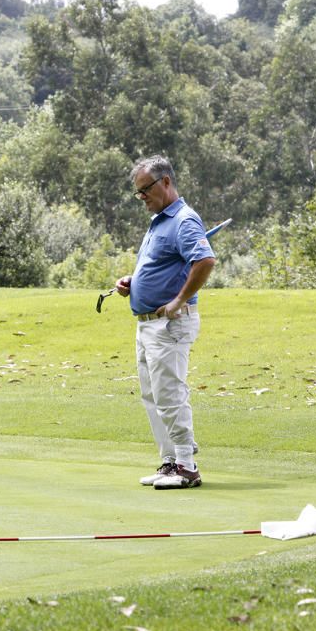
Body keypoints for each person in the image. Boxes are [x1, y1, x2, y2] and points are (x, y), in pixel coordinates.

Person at [114, 155, 216, 489]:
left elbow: (204, 261)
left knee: (169, 392)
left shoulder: (184, 219)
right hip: (146, 323)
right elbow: (160, 266)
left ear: (166, 182)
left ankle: (187, 465)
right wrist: (133, 282)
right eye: (138, 192)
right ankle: (170, 461)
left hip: (169, 323)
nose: (142, 197)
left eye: (146, 190)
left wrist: (178, 300)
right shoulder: (159, 221)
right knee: (152, 394)